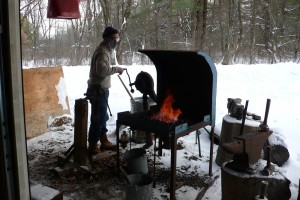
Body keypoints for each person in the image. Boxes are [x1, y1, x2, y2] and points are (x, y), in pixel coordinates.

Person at [85, 26, 126, 155]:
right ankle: (92, 145)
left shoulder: (107, 50)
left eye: (117, 39)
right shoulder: (102, 52)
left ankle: (103, 140)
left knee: (103, 117)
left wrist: (116, 66)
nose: (116, 42)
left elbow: (109, 63)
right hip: (98, 91)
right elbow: (101, 71)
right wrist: (117, 69)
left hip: (101, 90)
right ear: (107, 38)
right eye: (114, 39)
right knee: (98, 119)